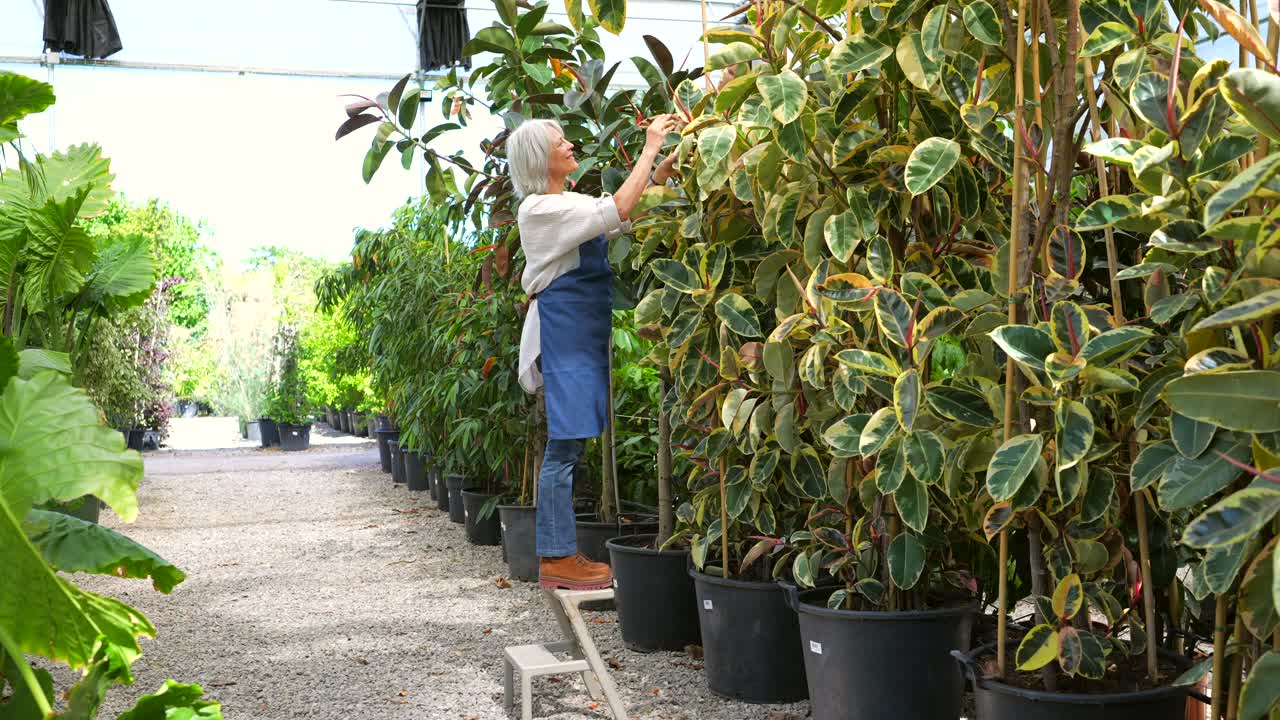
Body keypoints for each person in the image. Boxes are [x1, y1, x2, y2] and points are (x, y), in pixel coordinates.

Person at [509, 114, 680, 590]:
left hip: (580, 331)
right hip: (563, 333)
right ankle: (557, 557)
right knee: (563, 446)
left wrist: (661, 170)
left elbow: (624, 213)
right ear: (538, 160)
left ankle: (561, 553)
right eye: (558, 141)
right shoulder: (539, 209)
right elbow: (620, 207)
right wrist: (647, 150)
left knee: (572, 442)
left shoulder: (568, 202)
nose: (569, 144)